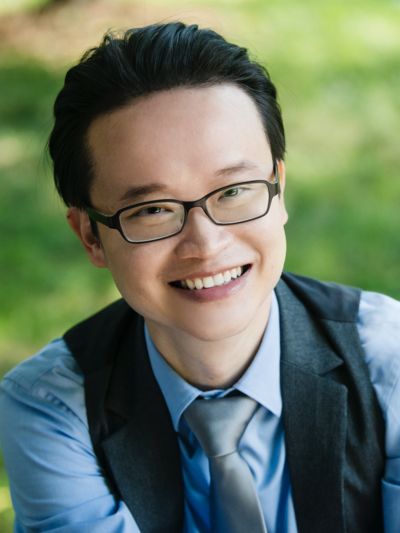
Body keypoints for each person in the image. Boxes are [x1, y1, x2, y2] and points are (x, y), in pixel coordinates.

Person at [0, 22, 399, 533]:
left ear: (279, 190)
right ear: (90, 237)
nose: (206, 244)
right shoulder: (54, 409)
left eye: (233, 191)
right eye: (152, 210)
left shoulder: (388, 363)